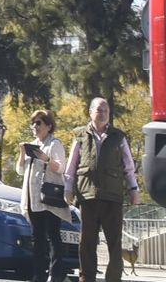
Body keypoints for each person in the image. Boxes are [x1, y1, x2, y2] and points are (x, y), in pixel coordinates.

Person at [65, 96, 140, 282]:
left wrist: (134, 189)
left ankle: (113, 279)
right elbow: (71, 165)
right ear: (90, 112)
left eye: (106, 110)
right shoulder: (80, 135)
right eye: (99, 110)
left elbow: (128, 166)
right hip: (87, 196)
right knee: (87, 242)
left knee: (115, 243)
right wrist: (68, 188)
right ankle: (86, 278)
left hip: (112, 197)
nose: (103, 114)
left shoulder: (118, 137)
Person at [20, 108, 72, 282]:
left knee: (52, 236)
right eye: (33, 123)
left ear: (49, 126)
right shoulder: (32, 145)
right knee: (38, 239)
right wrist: (22, 153)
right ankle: (38, 276)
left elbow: (61, 168)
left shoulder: (54, 144)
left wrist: (46, 159)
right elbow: (20, 171)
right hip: (33, 200)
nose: (35, 126)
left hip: (49, 200)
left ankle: (55, 274)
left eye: (39, 123)